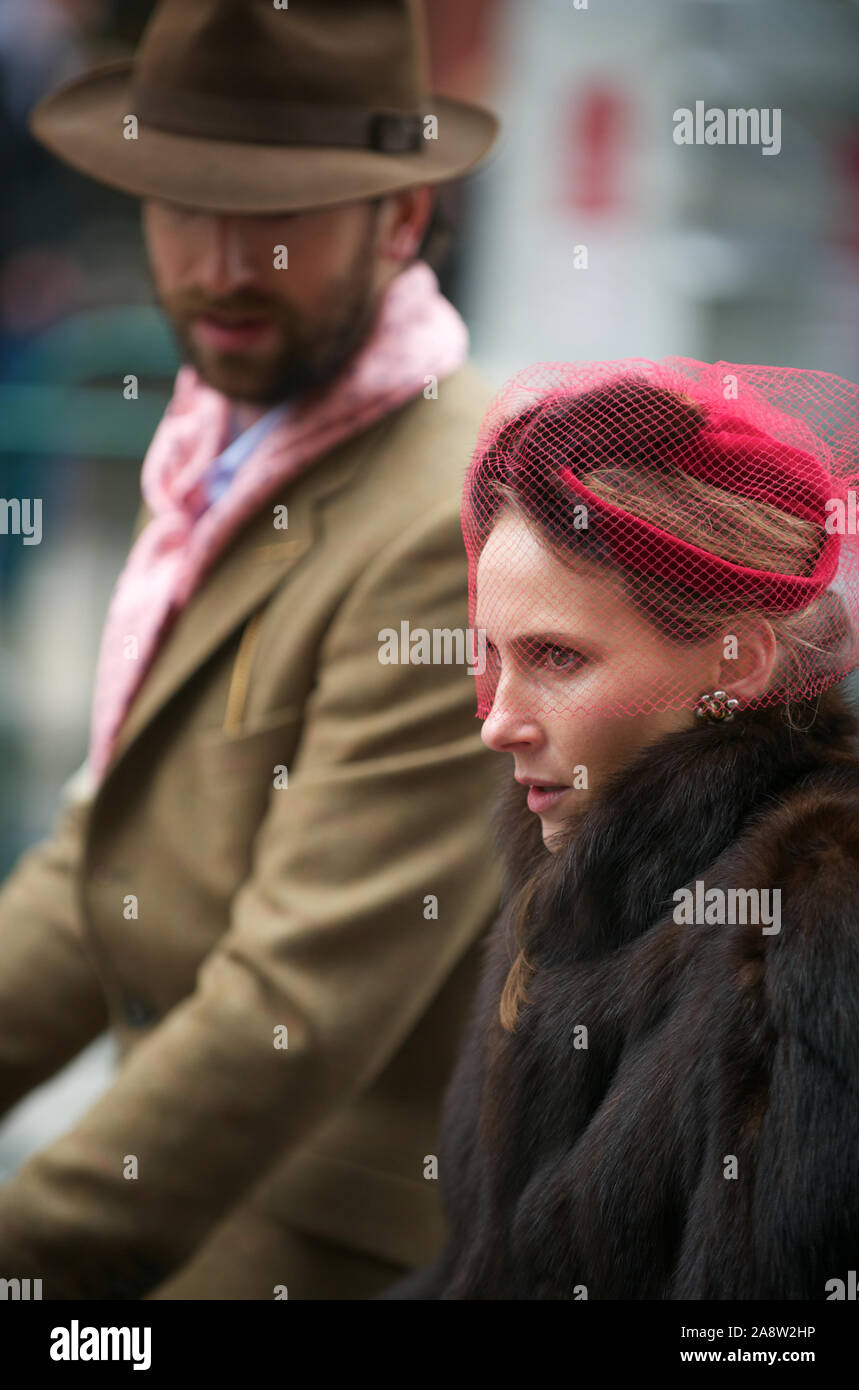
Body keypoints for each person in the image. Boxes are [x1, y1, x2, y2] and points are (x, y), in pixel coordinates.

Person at [0, 0, 504, 1299]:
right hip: (199, 1171)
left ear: (400, 220)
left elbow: (294, 1005)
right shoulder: (223, 440)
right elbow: (100, 864)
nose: (221, 261)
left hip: (324, 1232)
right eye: (183, 204)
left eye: (278, 217)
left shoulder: (442, 517)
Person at [382, 357, 859, 1299]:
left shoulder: (817, 911)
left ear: (737, 663)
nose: (496, 719)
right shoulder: (572, 869)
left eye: (555, 657)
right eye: (489, 656)